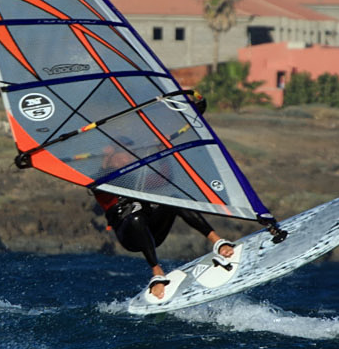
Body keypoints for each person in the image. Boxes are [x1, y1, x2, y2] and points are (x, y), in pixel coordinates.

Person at [93, 91, 234, 300]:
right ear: (109, 156)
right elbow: (106, 179)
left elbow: (164, 179)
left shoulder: (137, 176)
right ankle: (157, 272)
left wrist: (162, 153)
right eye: (121, 153)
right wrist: (106, 159)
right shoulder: (100, 179)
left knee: (174, 198)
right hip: (130, 233)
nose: (127, 157)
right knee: (136, 215)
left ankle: (217, 241)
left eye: (129, 153)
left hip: (153, 230)